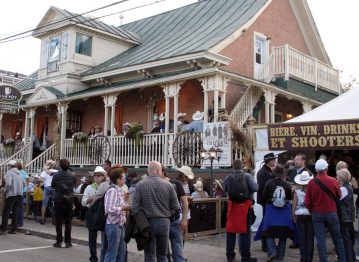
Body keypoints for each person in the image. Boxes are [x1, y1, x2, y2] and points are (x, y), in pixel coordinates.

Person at [131, 161, 180, 261]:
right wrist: (167, 215)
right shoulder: (169, 185)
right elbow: (176, 207)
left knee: (150, 255)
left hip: (147, 224)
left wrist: (141, 221)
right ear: (159, 171)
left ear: (148, 171)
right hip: (164, 223)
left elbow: (134, 207)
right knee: (162, 255)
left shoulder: (140, 185)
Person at [305, 159, 346, 262]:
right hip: (331, 212)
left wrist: (312, 211)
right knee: (338, 239)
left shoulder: (311, 183)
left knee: (320, 240)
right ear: (326, 168)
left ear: (316, 170)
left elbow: (307, 202)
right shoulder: (333, 180)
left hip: (317, 213)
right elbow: (339, 195)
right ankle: (342, 260)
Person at [255, 164, 295, 261]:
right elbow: (289, 199)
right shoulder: (287, 185)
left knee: (268, 233)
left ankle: (272, 252)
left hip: (271, 211)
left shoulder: (269, 183)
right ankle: (280, 255)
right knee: (283, 234)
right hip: (284, 212)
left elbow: (264, 196)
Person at [223, 159, 258, 262]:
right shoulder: (247, 176)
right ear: (242, 166)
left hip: (232, 206)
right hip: (245, 207)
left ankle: (230, 256)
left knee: (230, 232)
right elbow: (255, 188)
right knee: (245, 232)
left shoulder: (228, 177)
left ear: (233, 166)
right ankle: (245, 257)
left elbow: (224, 188)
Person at [160, 164, 188, 262]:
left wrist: (184, 220)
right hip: (166, 220)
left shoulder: (176, 183)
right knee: (167, 250)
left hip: (172, 221)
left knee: (176, 249)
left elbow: (184, 202)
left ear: (161, 172)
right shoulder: (175, 184)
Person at [104, 168, 130, 262]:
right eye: (123, 178)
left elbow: (118, 205)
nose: (125, 179)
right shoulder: (113, 191)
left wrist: (125, 200)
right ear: (118, 180)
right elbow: (109, 209)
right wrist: (123, 208)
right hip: (113, 225)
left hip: (120, 224)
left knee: (121, 252)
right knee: (112, 253)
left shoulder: (118, 191)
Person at [82, 166, 106, 262]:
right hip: (92, 213)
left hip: (103, 214)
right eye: (95, 175)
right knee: (92, 238)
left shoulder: (106, 186)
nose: (96, 177)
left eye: (98, 175)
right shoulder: (89, 187)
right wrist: (89, 199)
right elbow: (83, 202)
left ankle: (104, 258)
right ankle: (93, 258)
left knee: (105, 238)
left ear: (103, 177)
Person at [51, 159, 76, 248]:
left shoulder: (56, 175)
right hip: (69, 200)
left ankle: (59, 241)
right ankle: (68, 242)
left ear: (60, 166)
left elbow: (53, 186)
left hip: (59, 200)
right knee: (68, 222)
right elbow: (74, 185)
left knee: (59, 222)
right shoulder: (73, 175)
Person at [256, 152, 277, 252]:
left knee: (269, 222)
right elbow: (264, 189)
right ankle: (265, 245)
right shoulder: (263, 173)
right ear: (269, 161)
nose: (275, 161)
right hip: (267, 201)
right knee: (266, 222)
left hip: (269, 201)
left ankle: (268, 244)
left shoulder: (268, 171)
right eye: (274, 160)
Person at [292, 171, 314, 262]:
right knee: (310, 238)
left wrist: (293, 215)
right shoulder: (312, 190)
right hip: (310, 214)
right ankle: (309, 258)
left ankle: (303, 258)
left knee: (302, 237)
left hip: (300, 214)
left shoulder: (297, 191)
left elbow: (294, 204)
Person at [336, 169, 355, 262]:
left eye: (337, 177)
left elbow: (336, 199)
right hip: (348, 216)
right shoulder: (348, 186)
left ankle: (348, 258)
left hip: (344, 216)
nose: (336, 178)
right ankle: (351, 257)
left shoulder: (344, 188)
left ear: (341, 178)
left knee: (345, 238)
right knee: (346, 237)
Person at [0, 160, 23, 235]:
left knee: (6, 211)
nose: (8, 167)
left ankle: (3, 230)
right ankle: (13, 229)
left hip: (12, 194)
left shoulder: (9, 172)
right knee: (15, 211)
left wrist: (6, 191)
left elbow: (9, 184)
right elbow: (25, 184)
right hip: (19, 194)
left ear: (10, 166)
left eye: (8, 165)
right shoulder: (19, 173)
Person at [39, 159, 57, 224]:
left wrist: (41, 184)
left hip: (46, 188)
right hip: (54, 188)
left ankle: (42, 219)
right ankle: (55, 219)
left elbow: (40, 180)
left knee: (44, 204)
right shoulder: (57, 171)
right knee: (55, 204)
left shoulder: (44, 172)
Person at [16, 161, 28, 227]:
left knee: (19, 207)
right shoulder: (23, 172)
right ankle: (18, 222)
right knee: (19, 207)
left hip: (20, 191)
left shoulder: (19, 173)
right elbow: (27, 181)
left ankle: (19, 222)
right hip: (23, 190)